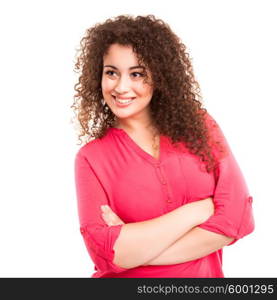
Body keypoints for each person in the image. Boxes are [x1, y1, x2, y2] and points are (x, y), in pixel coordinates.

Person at [71, 14, 254, 278]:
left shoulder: (200, 126)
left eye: (137, 74)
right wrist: (199, 210)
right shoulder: (90, 158)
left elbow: (238, 219)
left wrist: (139, 251)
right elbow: (107, 254)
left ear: (160, 76)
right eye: (111, 73)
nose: (121, 87)